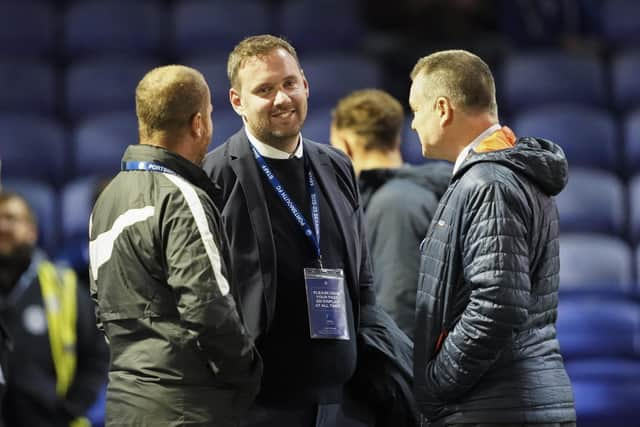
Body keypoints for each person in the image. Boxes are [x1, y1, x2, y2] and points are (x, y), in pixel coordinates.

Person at [203, 35, 417, 427]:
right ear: (237, 102)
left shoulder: (335, 164)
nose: (282, 99)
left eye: (288, 83)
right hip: (261, 408)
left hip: (346, 402)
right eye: (264, 90)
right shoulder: (215, 177)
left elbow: (363, 279)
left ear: (305, 84)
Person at [408, 50, 576, 426]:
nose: (413, 124)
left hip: (495, 408)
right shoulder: (503, 174)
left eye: (416, 110)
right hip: (511, 401)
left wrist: (436, 384)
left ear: (443, 109)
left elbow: (498, 304)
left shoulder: (489, 183)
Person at [89, 65, 261, 426]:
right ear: (198, 123)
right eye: (211, 116)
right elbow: (207, 308)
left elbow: (102, 310)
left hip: (124, 405)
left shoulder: (106, 200)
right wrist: (249, 375)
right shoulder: (182, 197)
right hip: (186, 408)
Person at [330, 89, 451, 339]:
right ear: (396, 140)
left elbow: (400, 307)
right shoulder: (398, 196)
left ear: (346, 146)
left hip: (405, 370)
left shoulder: (394, 204)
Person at [0, 191, 109, 427]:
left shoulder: (65, 286)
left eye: (11, 218)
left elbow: (96, 356)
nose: (2, 226)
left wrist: (70, 410)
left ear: (32, 232)